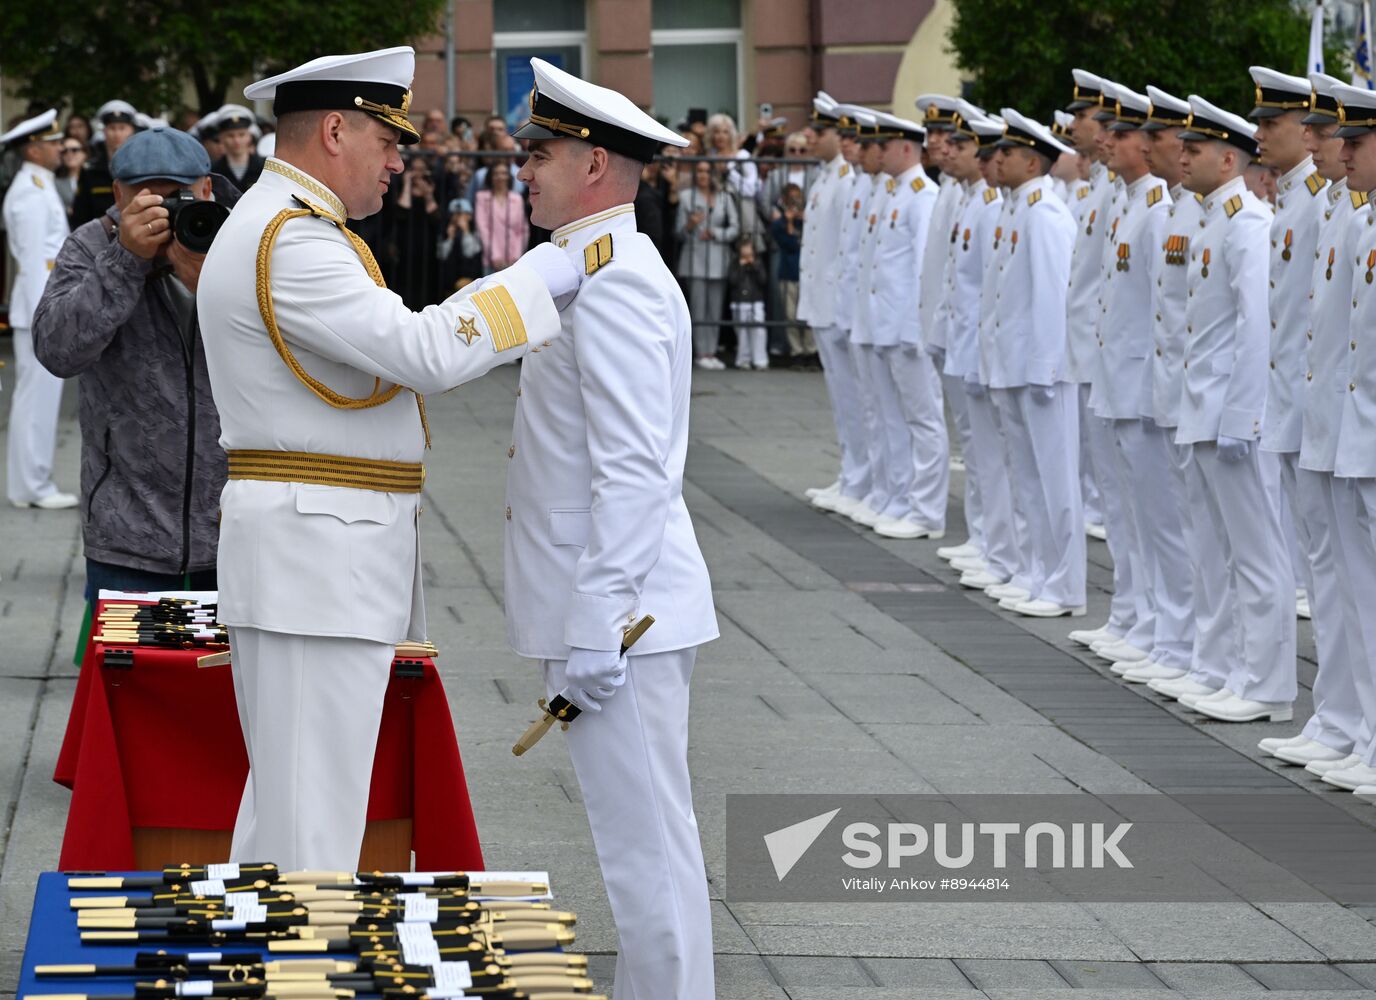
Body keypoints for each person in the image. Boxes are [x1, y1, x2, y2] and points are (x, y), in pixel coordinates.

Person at [196, 45, 574, 871]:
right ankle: (298, 978)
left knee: (293, 813)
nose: (400, 162)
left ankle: (271, 965)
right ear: (335, 130)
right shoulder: (294, 239)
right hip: (315, 560)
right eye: (388, 139)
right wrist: (542, 277)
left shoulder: (286, 225)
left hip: (315, 556)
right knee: (312, 831)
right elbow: (423, 351)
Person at [510, 56, 716, 1000]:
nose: (524, 168)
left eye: (541, 153)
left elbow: (638, 470)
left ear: (594, 164)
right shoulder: (590, 268)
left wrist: (597, 616)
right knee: (644, 844)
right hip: (615, 603)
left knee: (645, 853)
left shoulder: (618, 281)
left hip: (623, 613)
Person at [32, 127, 232, 600]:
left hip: (235, 525)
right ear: (118, 195)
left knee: (230, 674)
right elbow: (57, 351)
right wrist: (125, 259)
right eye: (146, 198)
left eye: (178, 196)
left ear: (207, 187)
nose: (164, 212)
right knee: (128, 673)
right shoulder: (91, 246)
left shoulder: (246, 238)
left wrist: (215, 282)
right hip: (128, 529)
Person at [1158, 95, 1296, 722]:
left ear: (1226, 158)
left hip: (1231, 416)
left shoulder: (1247, 224)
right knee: (1216, 550)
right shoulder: (1213, 218)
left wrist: (1243, 419)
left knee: (1257, 555)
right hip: (1202, 409)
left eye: (1193, 149)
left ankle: (1266, 686)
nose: (1182, 157)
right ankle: (1227, 669)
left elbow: (1255, 331)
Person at [1258, 73, 1372, 767]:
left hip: (1354, 428)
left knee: (1361, 588)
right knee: (1336, 584)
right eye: (1333, 136)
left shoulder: (1346, 212)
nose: (1336, 149)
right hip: (1329, 426)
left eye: (1349, 138)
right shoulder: (1340, 210)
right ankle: (1343, 722)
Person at [1090, 88, 1190, 669]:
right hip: (1120, 384)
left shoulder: (1155, 210)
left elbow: (1164, 315)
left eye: (1125, 135)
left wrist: (1158, 393)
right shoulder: (1133, 203)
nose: (1112, 141)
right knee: (1132, 515)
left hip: (1146, 391)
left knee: (1162, 521)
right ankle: (1142, 618)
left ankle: (1167, 632)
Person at [1119, 84, 1207, 686]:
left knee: (1186, 527)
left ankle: (1183, 643)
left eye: (1157, 137)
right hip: (1163, 389)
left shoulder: (1187, 211)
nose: (1151, 148)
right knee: (1158, 517)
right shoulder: (1167, 208)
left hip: (1195, 396)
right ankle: (1167, 636)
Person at [983, 109, 1085, 617]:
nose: (995, 160)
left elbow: (1052, 296)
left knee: (1055, 481)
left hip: (1040, 368)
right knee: (1028, 478)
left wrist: (1046, 366)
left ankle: (1065, 585)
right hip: (1014, 364)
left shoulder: (1045, 212)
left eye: (1005, 153)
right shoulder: (1015, 208)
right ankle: (1037, 573)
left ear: (1031, 161)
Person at [1250, 66, 1328, 626]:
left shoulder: (1321, 202)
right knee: (1313, 553)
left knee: (1328, 562)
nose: (1259, 134)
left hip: (1318, 405)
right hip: (1293, 401)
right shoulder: (1294, 199)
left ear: (1305, 130)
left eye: (1270, 122)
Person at [863, 110, 946, 540]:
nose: (877, 152)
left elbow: (921, 270)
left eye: (885, 145)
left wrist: (918, 329)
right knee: (894, 416)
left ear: (907, 148)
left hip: (906, 327)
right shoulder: (895, 192)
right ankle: (900, 498)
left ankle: (927, 511)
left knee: (923, 419)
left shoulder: (921, 195)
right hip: (886, 324)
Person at [3, 109, 75, 510]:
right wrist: (43, 315)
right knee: (35, 400)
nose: (59, 148)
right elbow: (32, 262)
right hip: (37, 307)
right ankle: (33, 486)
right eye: (52, 143)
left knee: (36, 399)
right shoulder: (29, 192)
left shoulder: (39, 184)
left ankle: (29, 484)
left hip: (39, 303)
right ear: (33, 149)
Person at [800, 96, 869, 511]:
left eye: (820, 132)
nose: (812, 137)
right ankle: (851, 474)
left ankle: (861, 480)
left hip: (839, 304)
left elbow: (850, 251)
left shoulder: (846, 180)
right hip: (823, 301)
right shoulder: (829, 177)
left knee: (856, 398)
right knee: (843, 399)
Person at [676, 159, 738, 368]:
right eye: (699, 171)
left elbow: (735, 228)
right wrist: (690, 225)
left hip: (719, 257)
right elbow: (678, 232)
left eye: (707, 171)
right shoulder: (686, 197)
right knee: (698, 307)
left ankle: (712, 352)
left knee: (715, 307)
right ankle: (701, 352)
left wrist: (716, 233)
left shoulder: (724, 197)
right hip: (695, 258)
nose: (703, 175)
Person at [71, 100, 137, 227]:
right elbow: (80, 214)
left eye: (122, 128)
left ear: (131, 131)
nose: (117, 134)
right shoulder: (90, 170)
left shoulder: (142, 168)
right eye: (112, 128)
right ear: (104, 131)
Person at [769, 181, 806, 360]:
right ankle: (796, 350)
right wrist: (789, 222)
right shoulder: (780, 224)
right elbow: (789, 244)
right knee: (791, 315)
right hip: (789, 272)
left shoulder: (809, 220)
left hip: (806, 274)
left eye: (797, 199)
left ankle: (810, 350)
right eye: (791, 199)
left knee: (807, 315)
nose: (795, 203)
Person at [475, 160, 528, 273]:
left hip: (514, 259)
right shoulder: (482, 197)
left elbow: (522, 230)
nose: (500, 177)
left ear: (508, 176)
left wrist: (516, 256)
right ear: (491, 176)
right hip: (491, 259)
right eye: (496, 173)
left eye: (503, 173)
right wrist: (495, 256)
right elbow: (483, 229)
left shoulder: (516, 199)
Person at [727, 235, 769, 369]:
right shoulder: (735, 262)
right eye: (744, 247)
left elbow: (763, 280)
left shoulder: (758, 262)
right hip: (740, 302)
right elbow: (732, 281)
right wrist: (741, 266)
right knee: (742, 332)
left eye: (749, 247)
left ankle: (760, 360)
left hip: (755, 300)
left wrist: (754, 266)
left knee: (759, 331)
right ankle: (743, 359)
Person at [212, 104, 266, 191]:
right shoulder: (214, 170)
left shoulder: (265, 167)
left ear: (250, 136)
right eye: (230, 136)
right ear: (221, 138)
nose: (236, 141)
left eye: (241, 135)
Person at [437, 196, 483, 291]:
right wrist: (450, 238)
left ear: (469, 216)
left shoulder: (475, 232)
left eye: (461, 214)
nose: (457, 218)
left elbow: (470, 253)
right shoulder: (444, 232)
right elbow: (441, 255)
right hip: (448, 281)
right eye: (454, 214)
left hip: (470, 280)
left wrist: (466, 231)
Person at [55, 137, 88, 216]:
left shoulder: (96, 179)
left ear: (84, 154)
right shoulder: (54, 183)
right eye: (64, 151)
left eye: (74, 150)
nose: (69, 154)